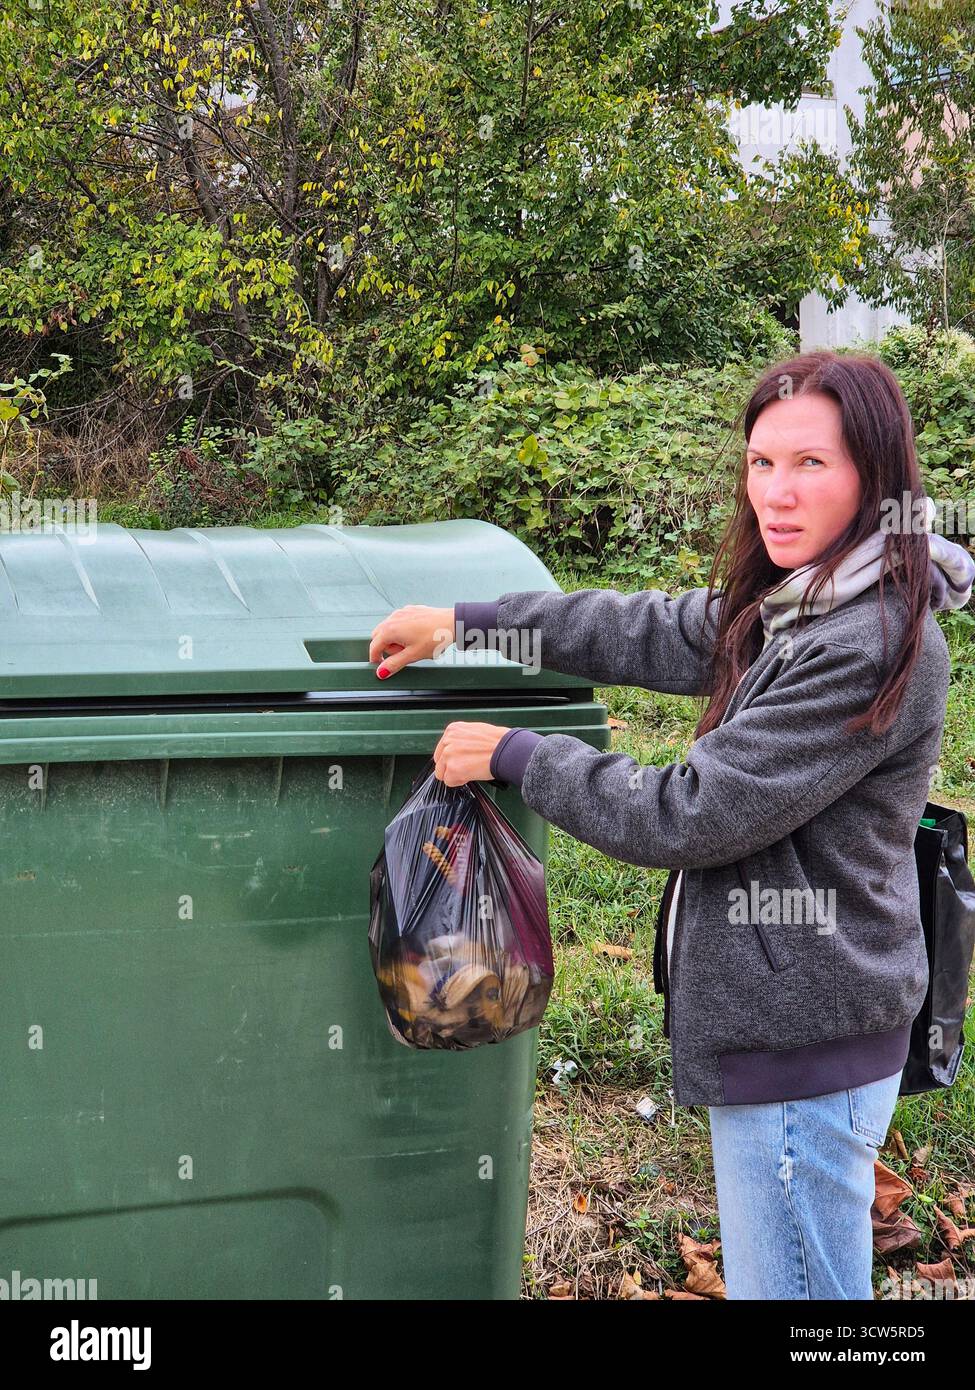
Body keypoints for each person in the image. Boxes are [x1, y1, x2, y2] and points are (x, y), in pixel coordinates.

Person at [367, 349, 975, 1300]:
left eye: (811, 464)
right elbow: (652, 628)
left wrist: (517, 754)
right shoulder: (805, 601)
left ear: (875, 477)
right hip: (795, 1024)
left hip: (801, 1041)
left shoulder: (864, 639)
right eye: (760, 462)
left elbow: (689, 815)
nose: (776, 491)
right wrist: (469, 622)